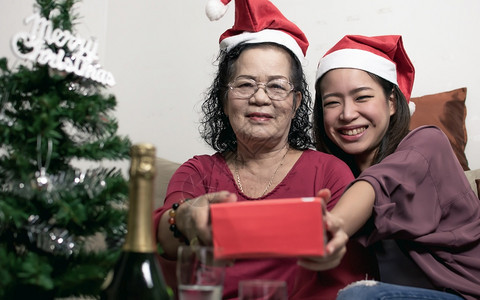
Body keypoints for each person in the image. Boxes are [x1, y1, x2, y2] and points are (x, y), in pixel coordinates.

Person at [154, 1, 376, 299]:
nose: (260, 98)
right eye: (245, 85)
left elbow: (347, 279)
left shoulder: (329, 172)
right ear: (223, 100)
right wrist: (184, 218)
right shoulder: (197, 171)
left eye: (276, 86)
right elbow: (162, 244)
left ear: (296, 102)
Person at [312, 35, 480, 300]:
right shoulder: (331, 174)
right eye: (332, 102)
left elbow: (382, 181)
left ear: (391, 102)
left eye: (362, 97)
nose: (346, 114)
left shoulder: (427, 143)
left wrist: (335, 226)